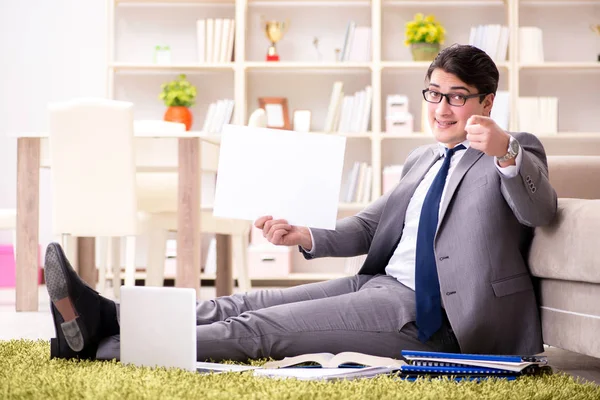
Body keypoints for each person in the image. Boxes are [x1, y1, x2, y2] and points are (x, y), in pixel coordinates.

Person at [46, 44, 557, 363]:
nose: (441, 108)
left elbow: (540, 211)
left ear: (486, 102)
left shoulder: (514, 150)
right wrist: (304, 236)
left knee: (261, 331)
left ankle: (105, 345)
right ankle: (109, 316)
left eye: (456, 96)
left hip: (438, 319)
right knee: (242, 302)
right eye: (433, 94)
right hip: (378, 284)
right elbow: (368, 227)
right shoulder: (423, 159)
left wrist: (506, 150)